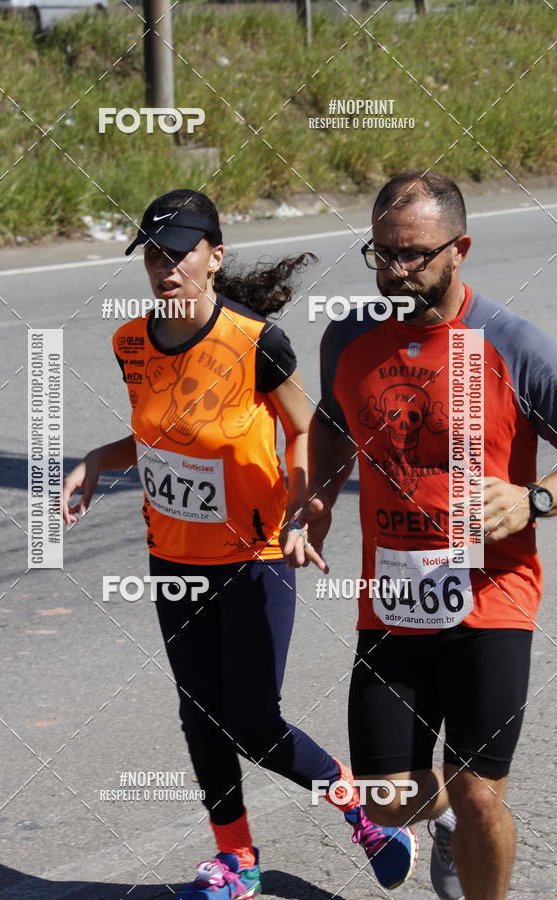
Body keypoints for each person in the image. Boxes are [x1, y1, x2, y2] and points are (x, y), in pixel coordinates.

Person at [62, 188, 418, 898]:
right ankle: (237, 861)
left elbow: (305, 429)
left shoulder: (256, 344)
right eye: (153, 255)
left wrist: (300, 506)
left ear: (214, 257)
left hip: (255, 558)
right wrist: (98, 460)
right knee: (199, 717)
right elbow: (158, 437)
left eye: (180, 253)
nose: (165, 268)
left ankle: (363, 812)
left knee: (254, 725)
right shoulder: (130, 343)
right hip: (173, 560)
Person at [303, 171, 557, 900]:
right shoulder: (349, 337)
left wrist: (535, 498)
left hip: (492, 597)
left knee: (480, 792)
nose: (395, 271)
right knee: (387, 802)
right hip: (393, 603)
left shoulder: (514, 345)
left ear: (460, 250)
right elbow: (332, 421)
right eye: (381, 253)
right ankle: (444, 824)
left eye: (413, 254)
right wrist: (319, 496)